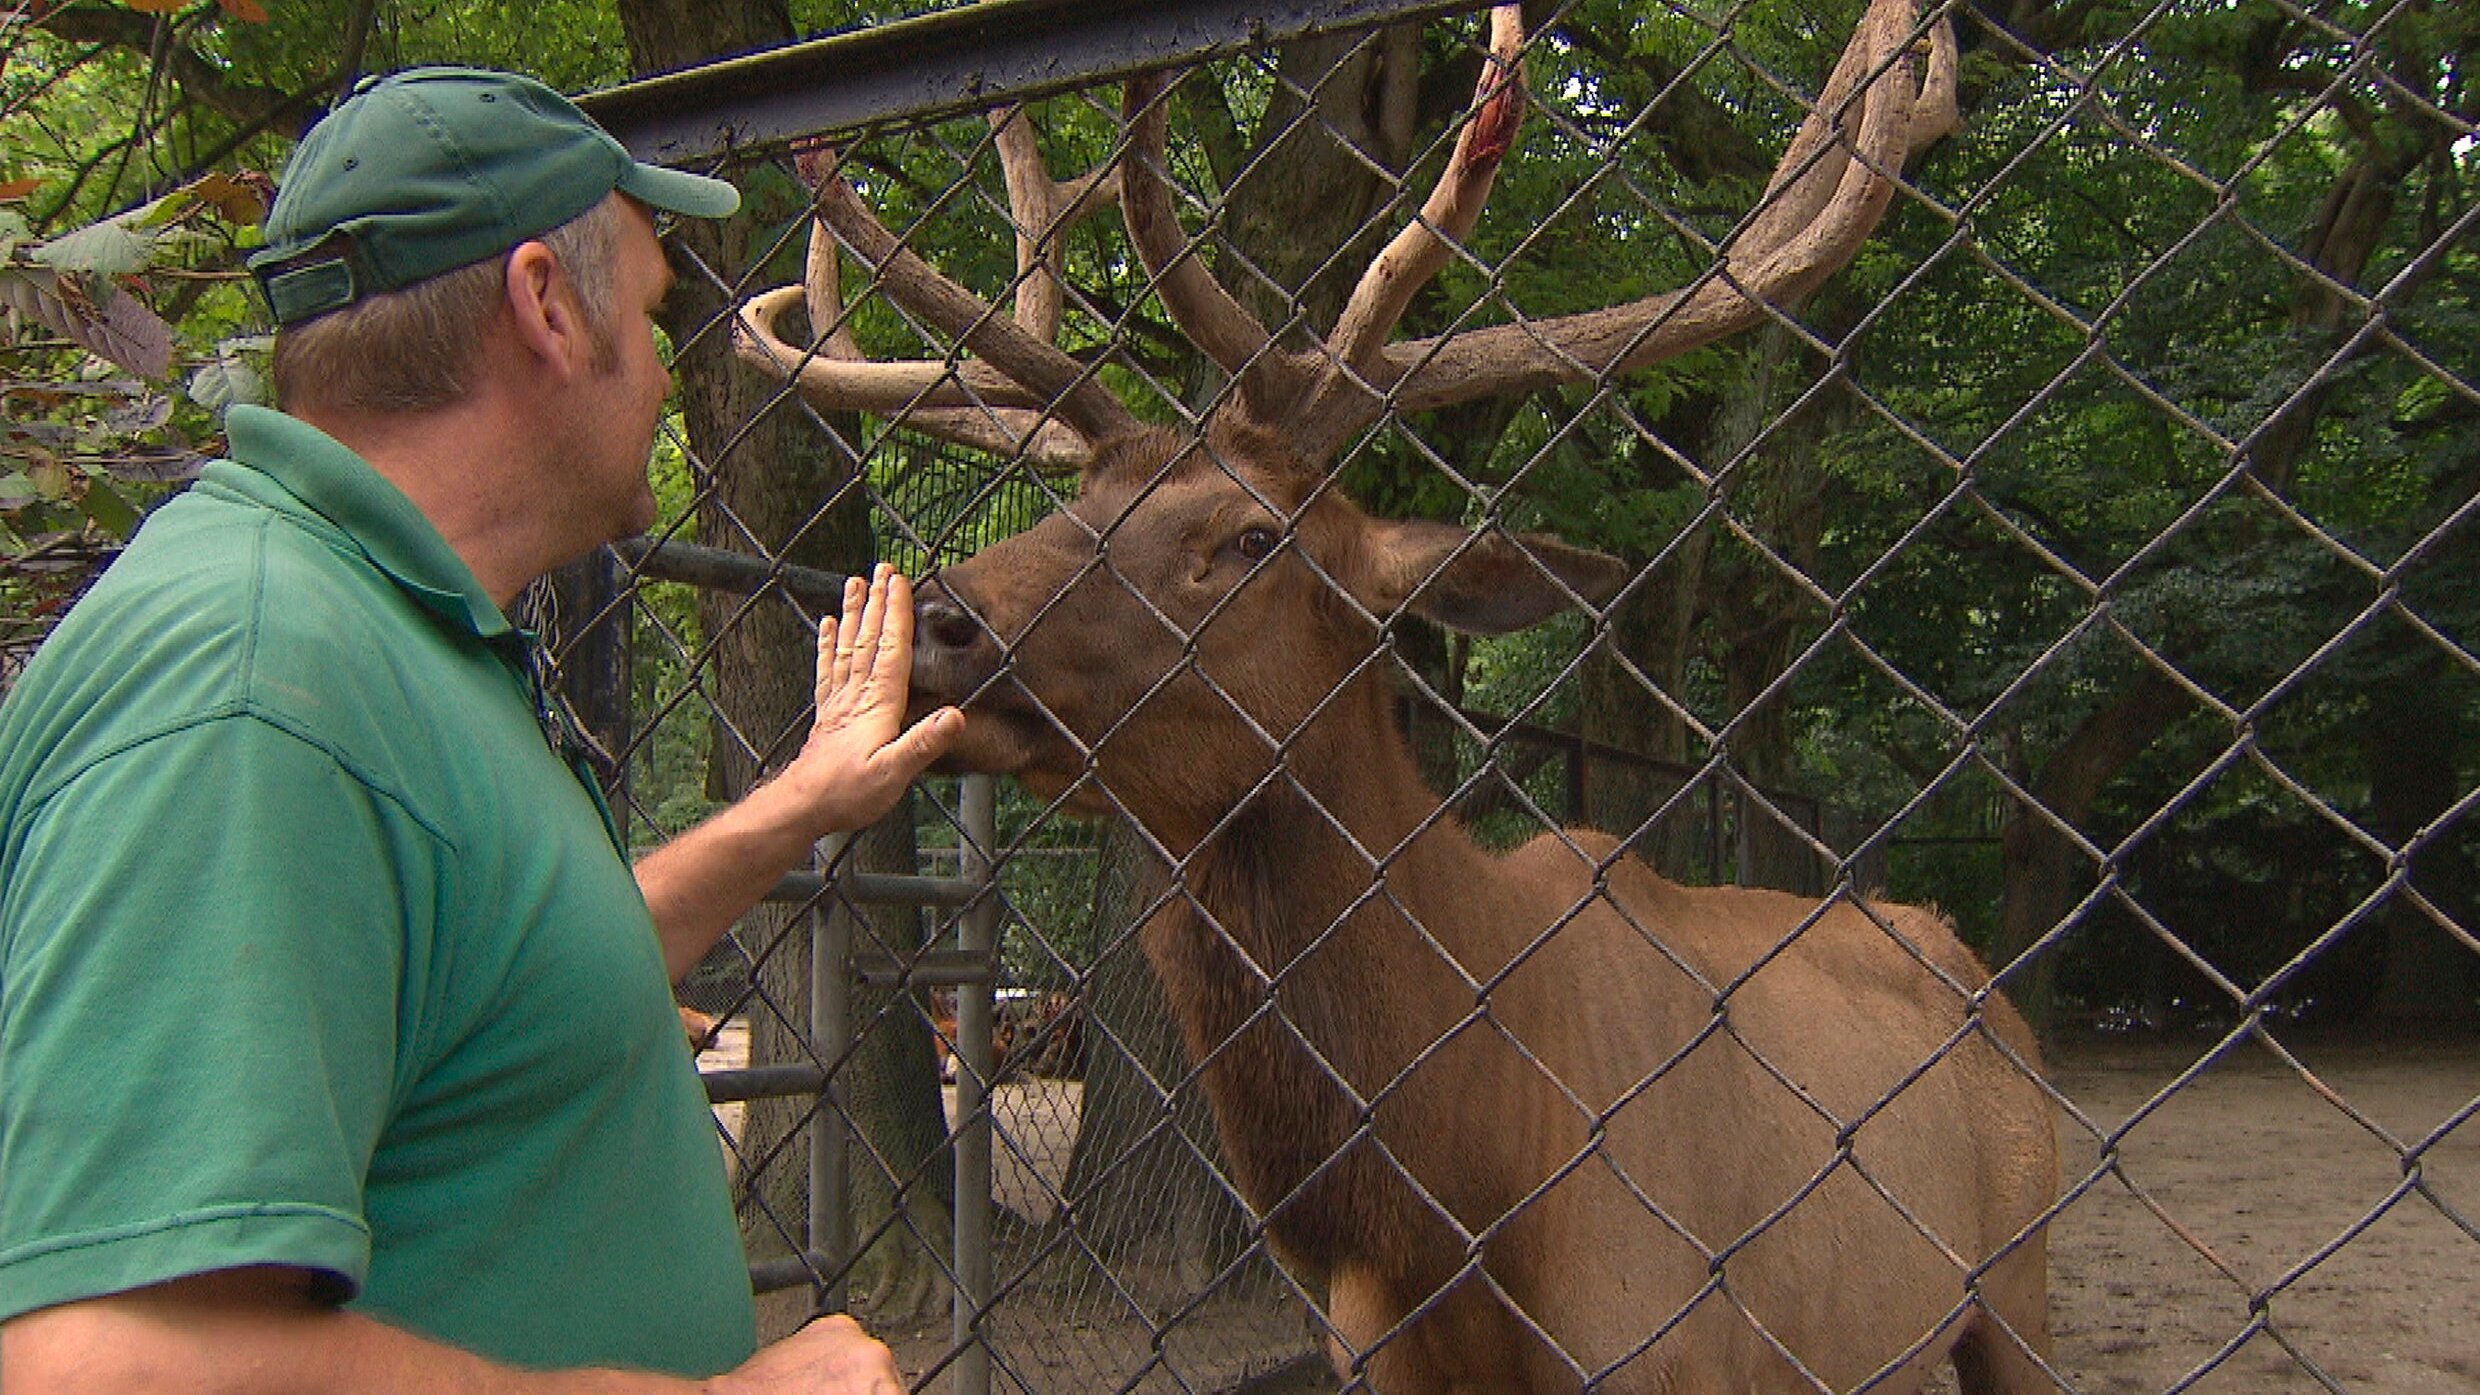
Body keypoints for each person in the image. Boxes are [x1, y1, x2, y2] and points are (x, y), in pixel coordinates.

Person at [0, 67, 962, 1393]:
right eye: (653, 308)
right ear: (548, 308)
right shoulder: (256, 683)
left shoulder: (393, 637)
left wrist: (800, 801)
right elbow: (105, 1367)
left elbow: (514, 983)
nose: (672, 370)